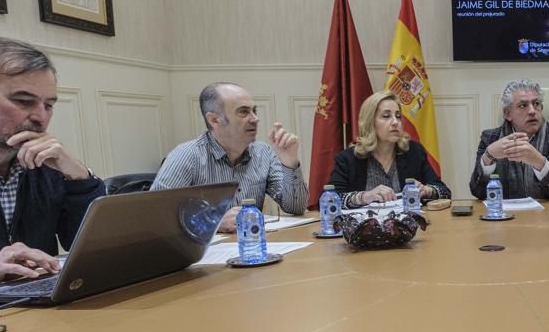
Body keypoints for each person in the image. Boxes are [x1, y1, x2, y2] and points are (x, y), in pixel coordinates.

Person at [0, 36, 105, 295]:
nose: (40, 117)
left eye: (48, 105)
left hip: (40, 310)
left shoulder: (45, 162)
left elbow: (95, 247)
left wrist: (79, 177)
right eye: (23, 101)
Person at [152, 82, 307, 232]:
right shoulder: (186, 156)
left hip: (252, 247)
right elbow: (155, 215)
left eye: (254, 111)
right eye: (244, 112)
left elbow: (296, 207)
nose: (255, 119)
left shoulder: (263, 152)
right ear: (214, 120)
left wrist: (289, 161)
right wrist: (213, 222)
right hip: (207, 254)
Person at [328, 90, 450, 206]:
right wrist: (364, 197)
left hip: (408, 226)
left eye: (398, 116)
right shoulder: (348, 159)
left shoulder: (413, 151)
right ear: (370, 122)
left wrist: (427, 190)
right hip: (366, 227)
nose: (395, 122)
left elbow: (444, 192)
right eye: (386, 116)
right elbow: (329, 200)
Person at [469, 79, 549, 200]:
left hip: (547, 215)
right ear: (508, 114)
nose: (532, 111)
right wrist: (488, 156)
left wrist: (539, 161)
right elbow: (477, 192)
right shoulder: (490, 138)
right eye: (523, 105)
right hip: (503, 215)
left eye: (536, 104)